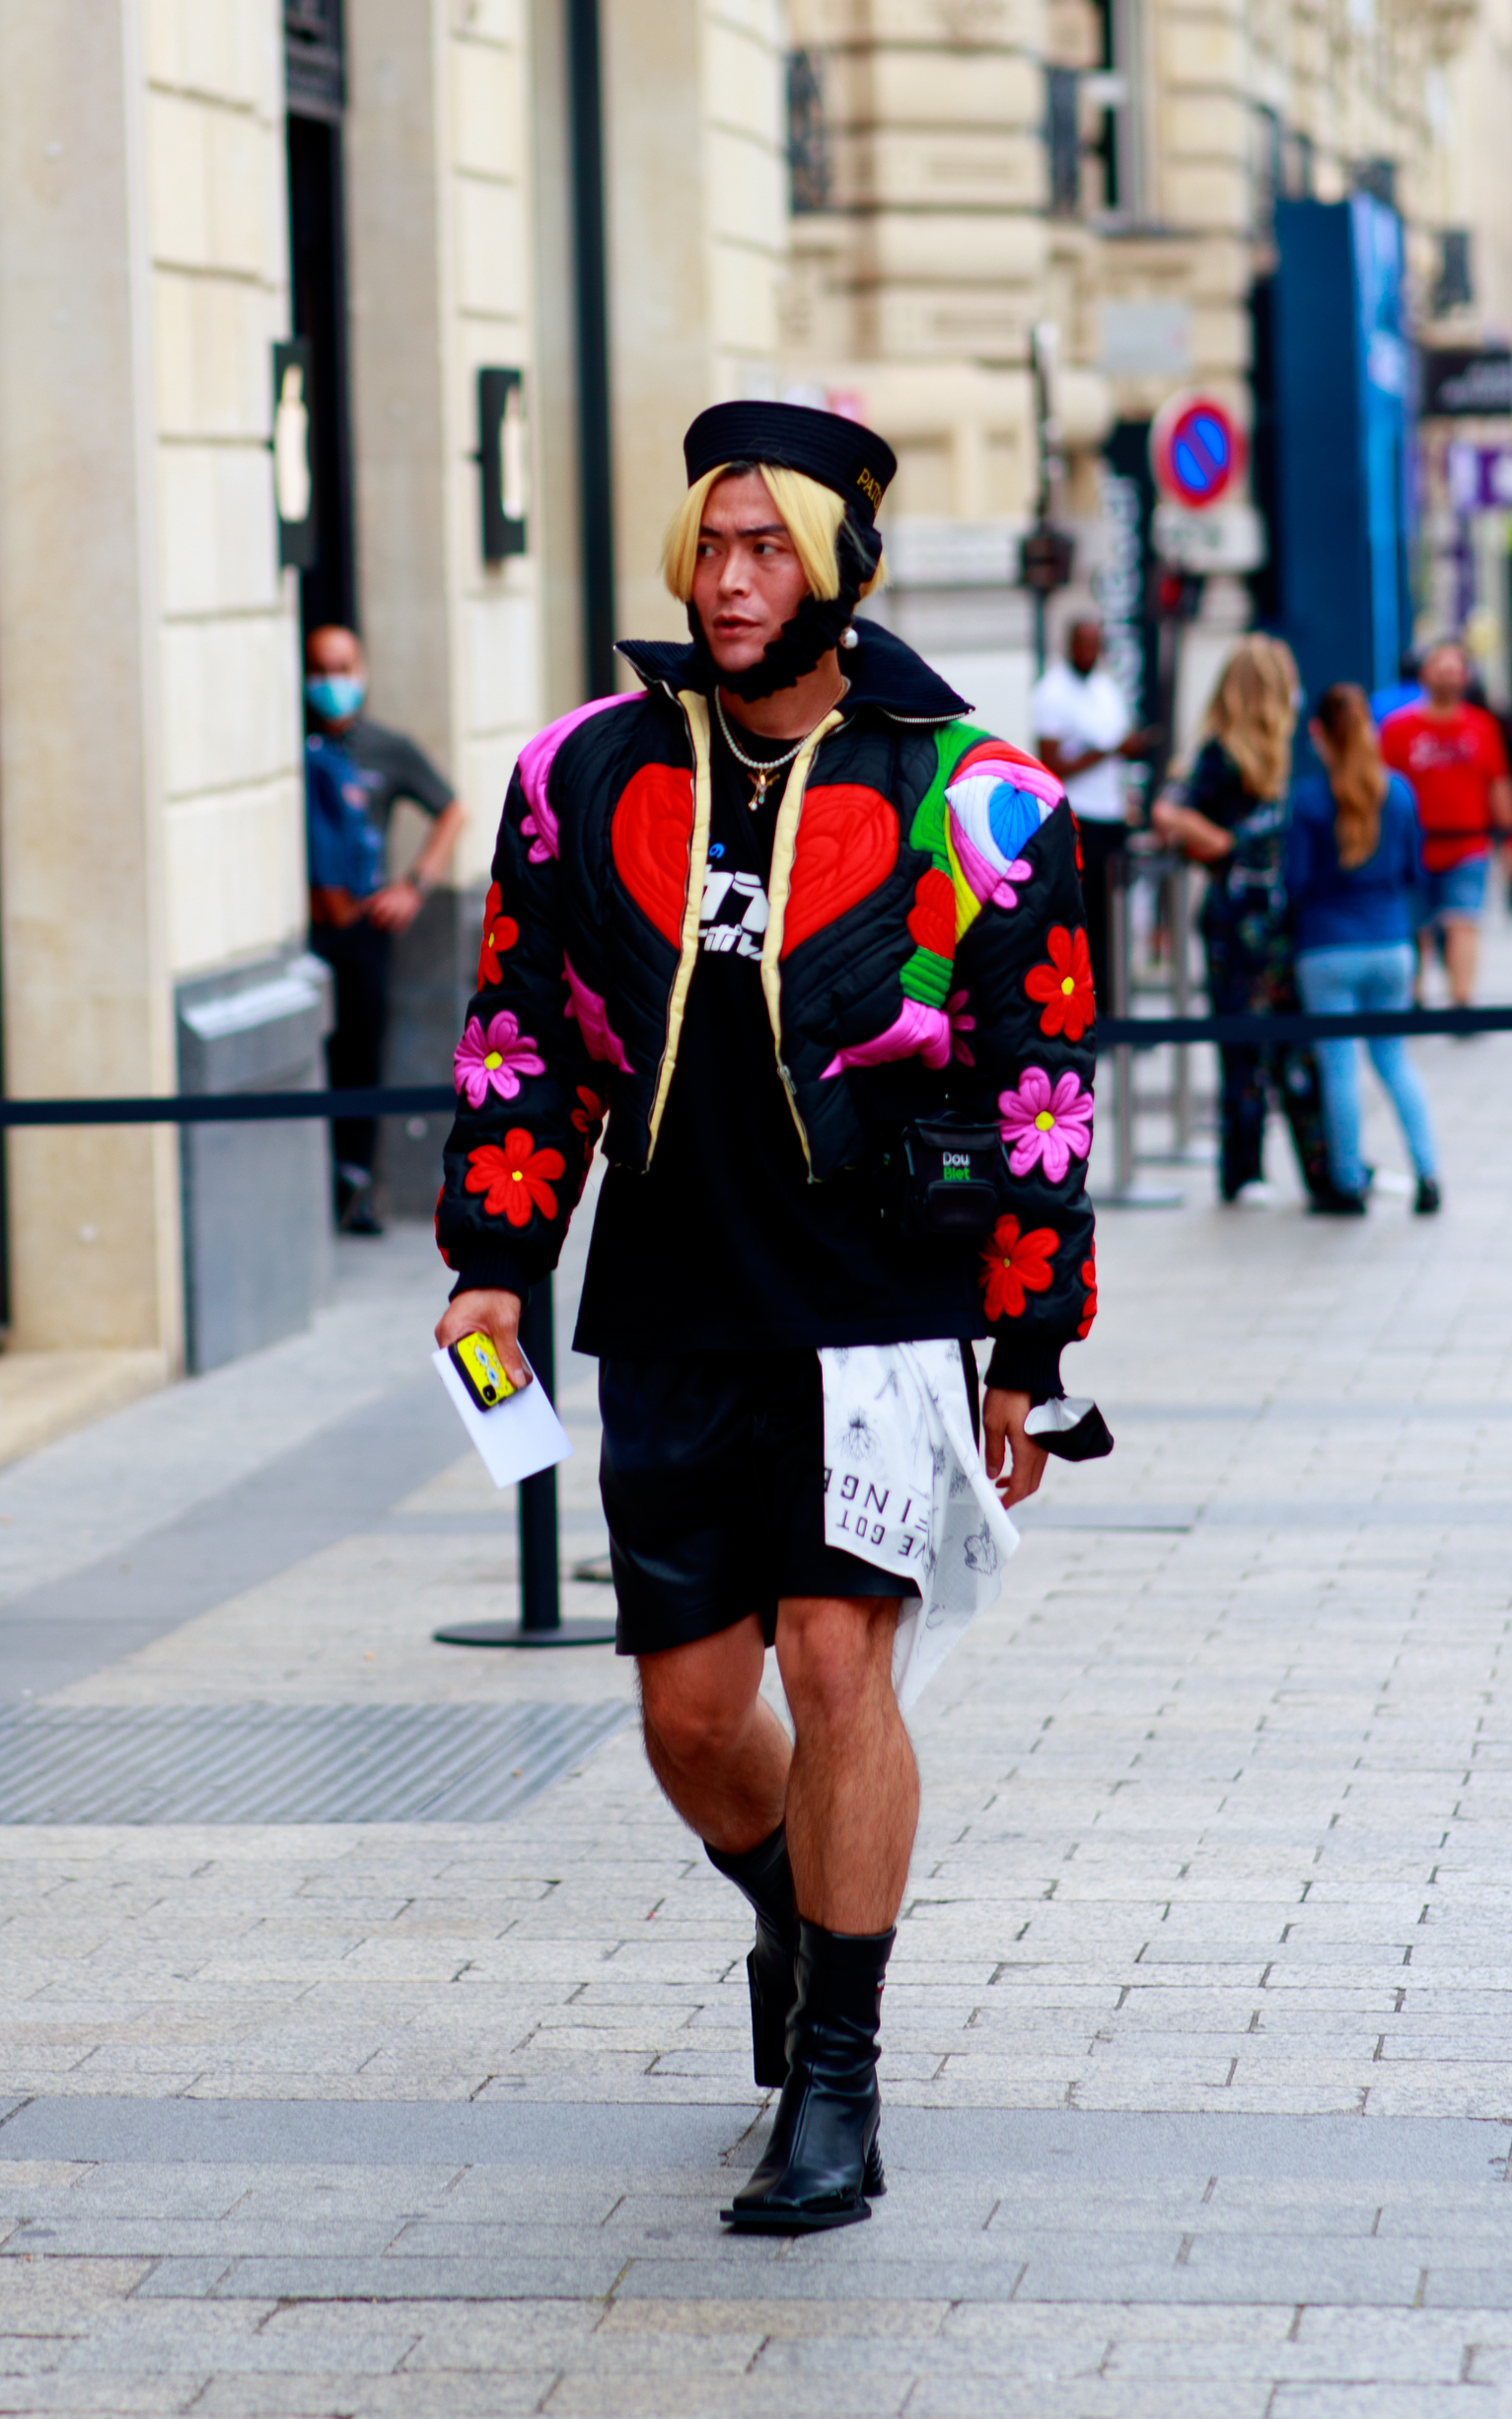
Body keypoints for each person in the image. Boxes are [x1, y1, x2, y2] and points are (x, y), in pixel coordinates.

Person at [433, 403, 1099, 2235]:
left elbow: (1042, 1078)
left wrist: (1034, 1351)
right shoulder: (583, 774)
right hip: (665, 1298)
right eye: (710, 547)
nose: (729, 583)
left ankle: (838, 2082)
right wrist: (494, 1250)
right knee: (689, 1719)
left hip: (873, 1303)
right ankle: (804, 1926)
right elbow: (524, 1033)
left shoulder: (971, 793)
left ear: (840, 565)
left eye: (766, 549)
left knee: (834, 1666)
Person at [1152, 636, 1334, 1209]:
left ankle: (1325, 1168)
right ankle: (1245, 1170)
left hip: (1273, 921)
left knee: (1290, 1046)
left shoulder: (1275, 752)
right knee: (1246, 1046)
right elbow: (1168, 811)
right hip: (1239, 920)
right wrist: (1227, 845)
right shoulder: (1222, 754)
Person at [305, 624, 466, 1233]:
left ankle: (358, 1182)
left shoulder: (384, 747)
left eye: (343, 669)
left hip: (364, 923)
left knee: (363, 1055)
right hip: (311, 927)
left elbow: (451, 807)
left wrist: (414, 884)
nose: (332, 682)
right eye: (320, 670)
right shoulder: (297, 748)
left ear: (364, 672)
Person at [1286, 684, 1439, 1216]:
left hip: (1327, 947)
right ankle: (1428, 1172)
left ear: (1319, 734)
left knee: (1340, 1068)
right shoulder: (1398, 793)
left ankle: (1348, 1182)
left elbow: (1296, 881)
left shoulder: (1308, 800)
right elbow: (1412, 872)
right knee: (1395, 1061)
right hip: (1390, 941)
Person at [1379, 640, 1511, 1010]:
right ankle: (1415, 996)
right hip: (1415, 844)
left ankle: (1462, 998)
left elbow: (1497, 782)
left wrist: (1507, 837)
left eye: (1454, 669)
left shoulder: (1482, 726)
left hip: (1468, 844)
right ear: (1424, 674)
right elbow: (1382, 786)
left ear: (1466, 677)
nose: (1448, 677)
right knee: (1415, 925)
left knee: (1462, 921)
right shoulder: (1398, 729)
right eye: (1441, 668)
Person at [1031, 618, 1152, 1014]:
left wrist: (1128, 753)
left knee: (1117, 919)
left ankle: (1116, 1005)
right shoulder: (1053, 692)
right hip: (1078, 819)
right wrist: (1109, 751)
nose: (1089, 652)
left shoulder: (1106, 689)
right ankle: (1087, 1008)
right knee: (1084, 920)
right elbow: (1050, 762)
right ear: (1069, 644)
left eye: (1095, 645)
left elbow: (1117, 747)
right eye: (1083, 644)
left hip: (1112, 815)